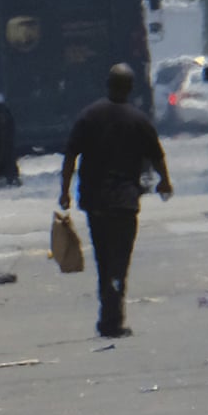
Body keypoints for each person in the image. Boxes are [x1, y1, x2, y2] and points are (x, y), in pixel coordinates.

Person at [59, 65, 172, 340]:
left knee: (103, 259)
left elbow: (70, 156)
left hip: (96, 202)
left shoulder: (89, 116)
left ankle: (108, 316)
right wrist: (165, 181)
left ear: (107, 84)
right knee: (120, 262)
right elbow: (157, 156)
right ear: (130, 87)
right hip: (124, 203)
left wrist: (65, 192)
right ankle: (113, 318)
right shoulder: (138, 120)